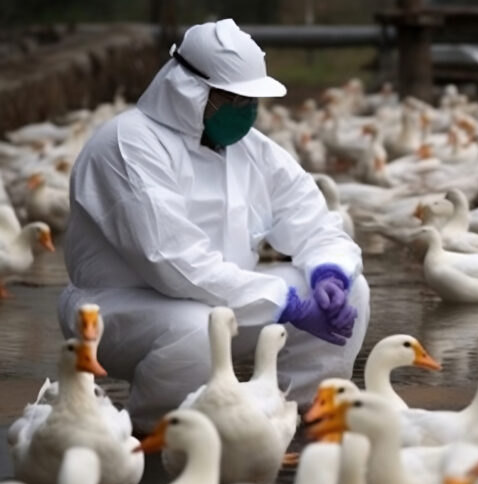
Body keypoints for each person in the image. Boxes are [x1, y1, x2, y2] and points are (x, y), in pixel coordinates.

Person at [58, 19, 367, 431]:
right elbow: (175, 264)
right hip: (119, 310)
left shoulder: (253, 150)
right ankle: (155, 433)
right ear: (188, 90)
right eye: (233, 99)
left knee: (353, 291)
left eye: (249, 100)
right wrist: (287, 303)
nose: (246, 111)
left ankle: (292, 417)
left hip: (229, 300)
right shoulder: (128, 145)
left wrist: (329, 273)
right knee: (198, 326)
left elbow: (316, 223)